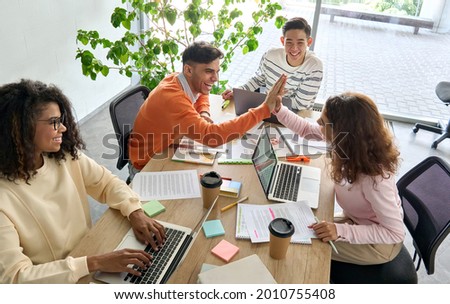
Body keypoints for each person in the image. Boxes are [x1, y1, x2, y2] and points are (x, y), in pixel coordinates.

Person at [0, 79, 166, 283]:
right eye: (54, 122)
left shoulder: (65, 156)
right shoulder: (4, 197)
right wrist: (93, 263)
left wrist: (135, 211)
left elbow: (107, 183)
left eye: (61, 120)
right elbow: (14, 278)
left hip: (89, 254)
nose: (63, 128)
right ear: (21, 128)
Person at [274, 92, 405, 265]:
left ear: (342, 131)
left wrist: (341, 230)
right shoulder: (348, 144)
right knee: (297, 229)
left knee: (299, 245)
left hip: (379, 244)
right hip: (355, 221)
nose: (318, 125)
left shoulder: (375, 180)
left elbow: (394, 233)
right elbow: (307, 129)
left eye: (323, 123)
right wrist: (278, 109)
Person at [128, 41, 286, 179]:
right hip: (147, 165)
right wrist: (263, 109)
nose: (216, 78)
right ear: (189, 70)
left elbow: (201, 94)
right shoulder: (173, 99)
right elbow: (212, 137)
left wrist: (203, 113)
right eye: (209, 71)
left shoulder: (178, 79)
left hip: (167, 147)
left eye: (217, 71)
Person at [222, 17, 323, 111]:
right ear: (282, 41)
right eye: (289, 42)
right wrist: (238, 91)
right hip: (268, 111)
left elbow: (300, 105)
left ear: (309, 42)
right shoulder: (270, 56)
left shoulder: (314, 66)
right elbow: (258, 79)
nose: (294, 48)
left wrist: (268, 101)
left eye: (300, 42)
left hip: (295, 117)